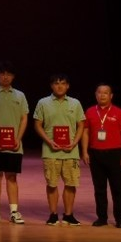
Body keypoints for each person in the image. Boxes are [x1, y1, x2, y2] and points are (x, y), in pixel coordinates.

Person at [33, 72, 86, 226]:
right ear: (51, 86)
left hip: (71, 151)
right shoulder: (43, 103)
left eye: (63, 83)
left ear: (68, 86)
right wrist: (49, 141)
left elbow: (81, 125)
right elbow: (37, 125)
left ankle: (68, 215)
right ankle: (53, 214)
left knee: (71, 183)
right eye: (56, 83)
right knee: (52, 183)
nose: (60, 86)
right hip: (50, 151)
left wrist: (74, 143)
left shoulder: (75, 103)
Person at [0, 60, 29, 224]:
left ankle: (14, 212)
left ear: (13, 76)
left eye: (8, 74)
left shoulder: (20, 95)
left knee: (12, 177)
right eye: (2, 74)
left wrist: (18, 139)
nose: (5, 77)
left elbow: (24, 118)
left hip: (14, 145)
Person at [82, 83, 121, 228]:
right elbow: (85, 133)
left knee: (117, 189)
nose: (102, 95)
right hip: (95, 154)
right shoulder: (90, 112)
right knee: (99, 189)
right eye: (99, 92)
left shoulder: (119, 113)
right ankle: (102, 218)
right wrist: (84, 151)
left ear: (111, 96)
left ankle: (120, 219)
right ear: (96, 95)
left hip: (114, 154)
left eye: (105, 93)